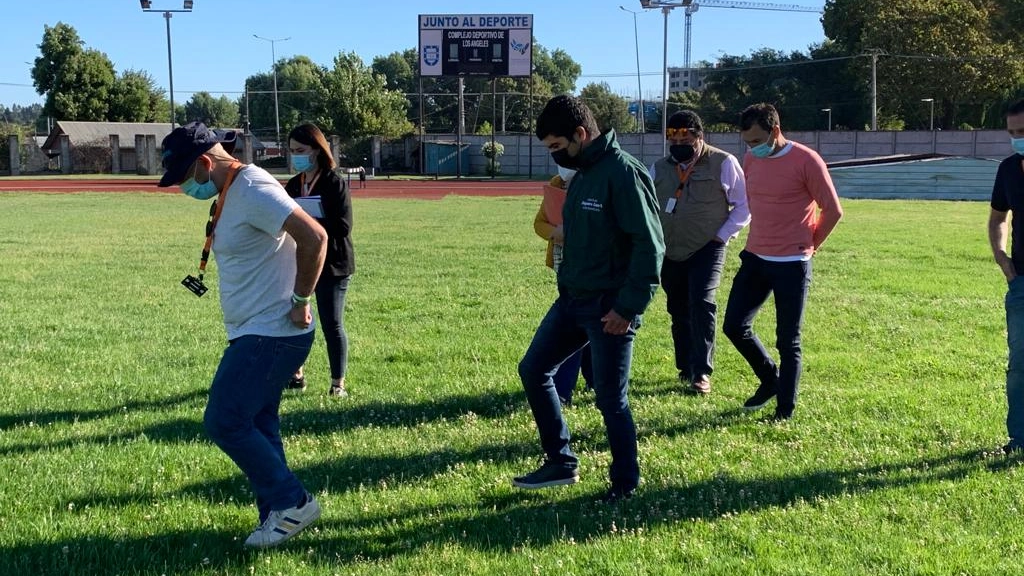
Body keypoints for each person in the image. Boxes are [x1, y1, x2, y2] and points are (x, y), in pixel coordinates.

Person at [158, 121, 327, 548]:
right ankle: (277, 515)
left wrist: (299, 299)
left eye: (183, 177)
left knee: (224, 420)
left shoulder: (251, 186)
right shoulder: (232, 192)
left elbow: (315, 236)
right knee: (258, 422)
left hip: (271, 332)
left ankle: (292, 501)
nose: (183, 188)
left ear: (203, 163)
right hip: (255, 330)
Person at [514, 95, 665, 502]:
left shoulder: (623, 173)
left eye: (557, 147)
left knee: (610, 399)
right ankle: (560, 462)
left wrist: (626, 308)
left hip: (609, 308)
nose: (555, 156)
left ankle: (624, 483)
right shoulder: (581, 175)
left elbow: (650, 247)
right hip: (572, 300)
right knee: (533, 369)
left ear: (581, 135)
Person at [723, 103, 843, 421]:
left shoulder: (806, 161)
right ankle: (770, 380)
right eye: (747, 142)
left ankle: (784, 411)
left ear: (775, 131)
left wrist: (810, 246)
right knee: (734, 325)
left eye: (757, 141)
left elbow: (833, 210)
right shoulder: (751, 159)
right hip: (755, 256)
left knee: (788, 340)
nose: (752, 149)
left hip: (792, 261)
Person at [650, 110, 750, 395]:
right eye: (673, 136)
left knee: (702, 304)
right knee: (678, 308)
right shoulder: (659, 167)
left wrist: (721, 237)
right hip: (670, 250)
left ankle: (702, 372)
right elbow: (646, 204)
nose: (679, 141)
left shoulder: (723, 162)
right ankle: (686, 367)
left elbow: (743, 205)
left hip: (708, 247)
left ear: (699, 135)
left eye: (686, 136)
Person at [284, 123, 355, 398]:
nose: (296, 156)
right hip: (300, 261)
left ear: (317, 149)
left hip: (334, 264)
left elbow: (344, 226)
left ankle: (338, 384)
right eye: (291, 151)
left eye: (300, 150)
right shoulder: (293, 184)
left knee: (331, 323)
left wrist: (310, 223)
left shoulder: (334, 182)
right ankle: (296, 375)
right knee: (293, 319)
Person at [534, 166, 593, 406]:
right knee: (580, 325)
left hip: (592, 266)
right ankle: (565, 388)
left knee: (584, 326)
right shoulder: (556, 183)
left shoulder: (595, 182)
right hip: (563, 263)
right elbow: (539, 223)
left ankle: (583, 383)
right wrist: (555, 232)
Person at [988, 98, 1024, 454]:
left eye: (1023, 132)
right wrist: (1001, 255)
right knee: (1020, 364)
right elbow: (999, 217)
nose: (1018, 138)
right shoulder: (1008, 169)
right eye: (1012, 133)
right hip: (1021, 282)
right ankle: (1019, 438)